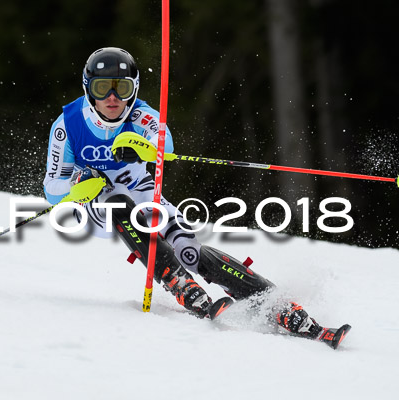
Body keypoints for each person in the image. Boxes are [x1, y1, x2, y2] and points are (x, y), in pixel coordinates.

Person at [43, 47, 324, 339]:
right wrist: (79, 179)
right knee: (117, 203)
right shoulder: (67, 124)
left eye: (121, 88)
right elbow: (51, 190)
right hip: (94, 207)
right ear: (89, 89)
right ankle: (176, 281)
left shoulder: (140, 113)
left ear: (134, 89)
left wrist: (145, 147)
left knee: (188, 250)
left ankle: (273, 302)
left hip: (141, 194)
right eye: (103, 88)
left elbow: (164, 143)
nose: (112, 98)